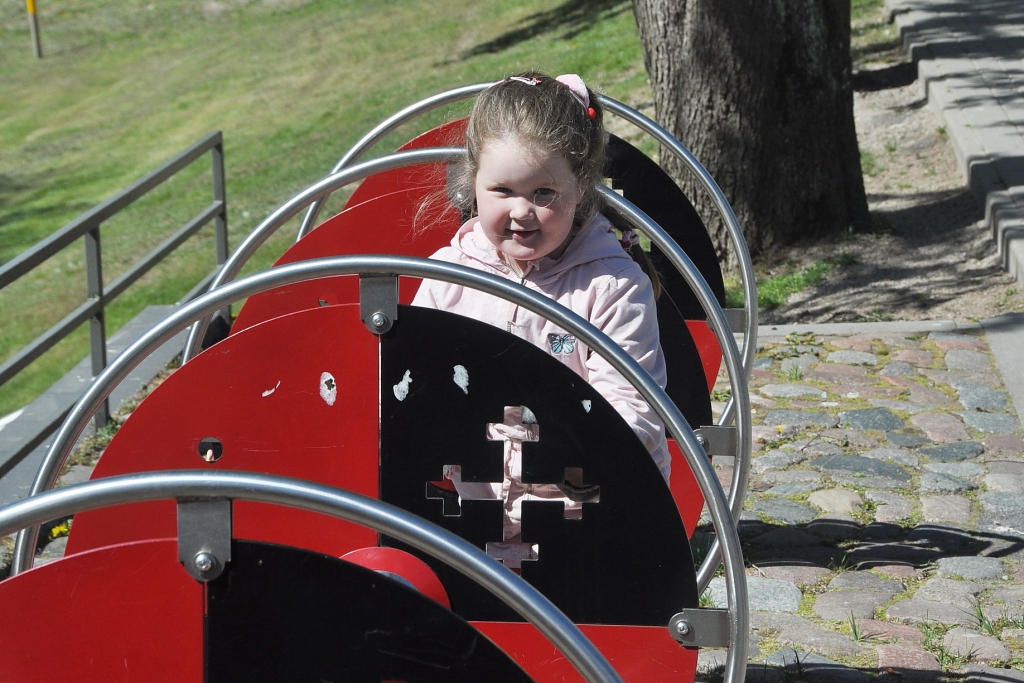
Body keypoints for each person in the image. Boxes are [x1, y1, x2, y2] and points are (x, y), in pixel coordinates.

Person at [412, 72, 668, 568]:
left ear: (581, 186)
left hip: (589, 512)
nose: (522, 212)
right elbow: (411, 385)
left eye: (544, 193)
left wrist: (544, 458)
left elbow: (633, 418)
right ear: (473, 183)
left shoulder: (610, 286)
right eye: (502, 189)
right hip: (469, 513)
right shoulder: (448, 276)